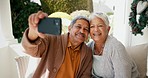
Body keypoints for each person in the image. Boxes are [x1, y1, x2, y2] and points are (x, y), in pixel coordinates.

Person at [21, 11, 92, 78]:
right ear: (69, 28)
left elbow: (85, 75)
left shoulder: (87, 52)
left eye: (86, 29)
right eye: (78, 27)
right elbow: (30, 49)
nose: (82, 31)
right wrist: (33, 32)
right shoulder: (52, 40)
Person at [87, 12, 140, 78]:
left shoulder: (116, 48)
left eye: (100, 26)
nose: (96, 29)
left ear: (108, 29)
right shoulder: (88, 47)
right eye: (92, 26)